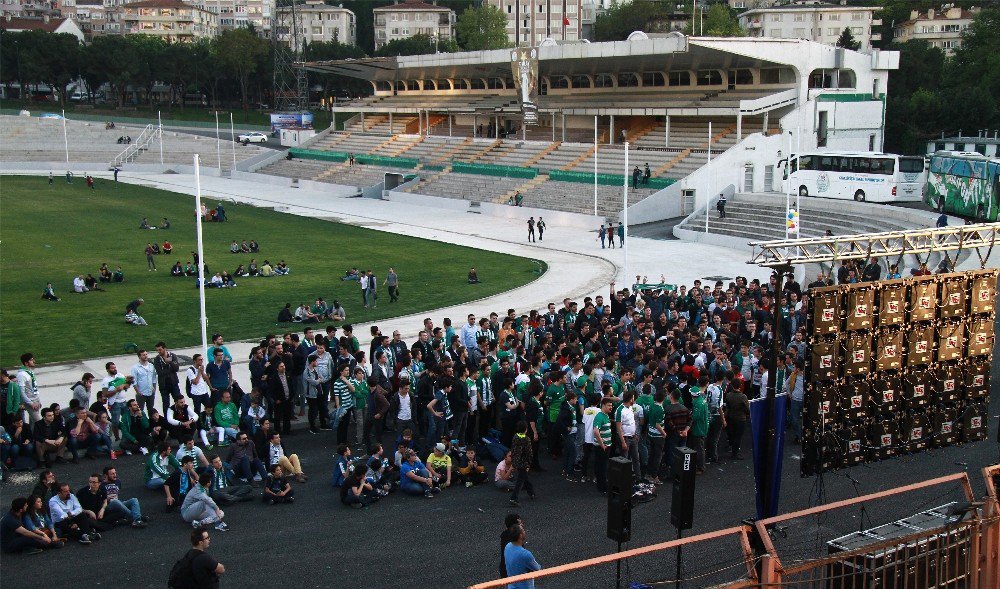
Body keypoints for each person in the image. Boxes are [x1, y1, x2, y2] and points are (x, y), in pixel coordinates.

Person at [508, 421, 534, 507]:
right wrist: (529, 463)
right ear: (526, 429)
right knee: (520, 480)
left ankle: (531, 492)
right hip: (523, 463)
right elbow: (529, 453)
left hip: (516, 461)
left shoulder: (515, 437)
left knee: (524, 477)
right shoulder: (526, 439)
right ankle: (514, 498)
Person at [498, 513, 522, 577]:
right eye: (519, 524)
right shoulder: (516, 541)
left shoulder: (504, 536)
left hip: (504, 570)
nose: (522, 525)